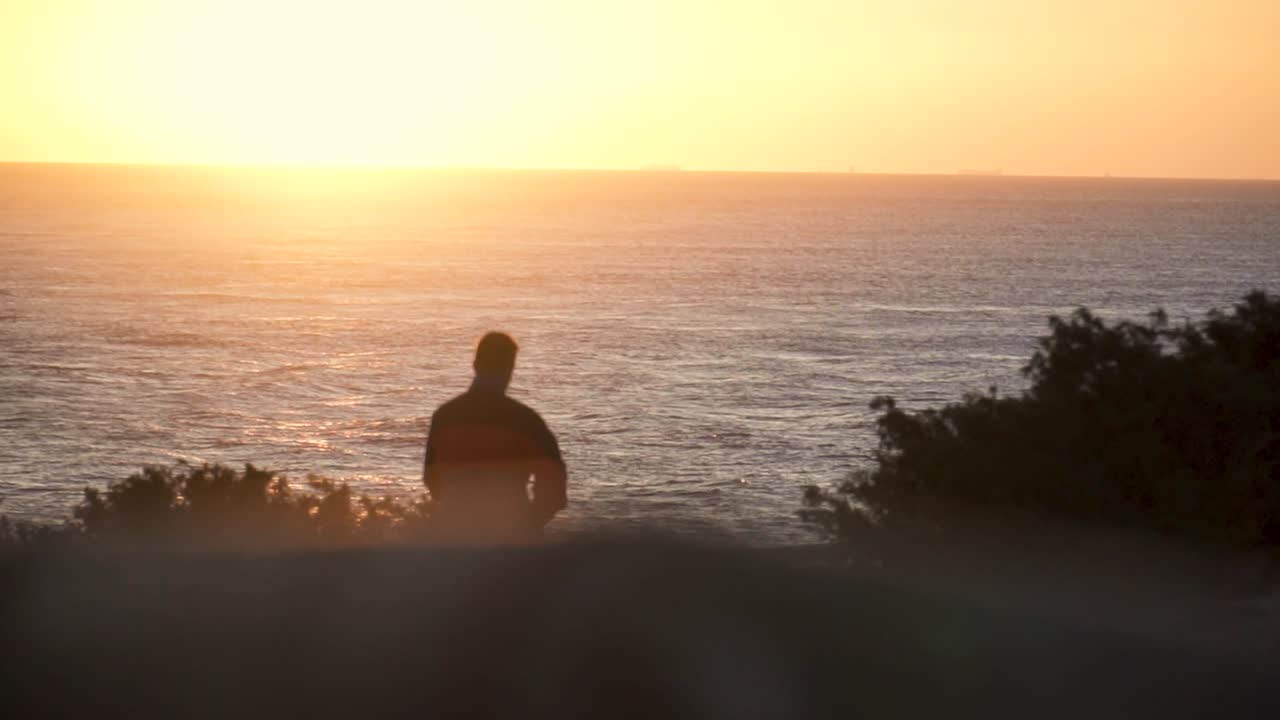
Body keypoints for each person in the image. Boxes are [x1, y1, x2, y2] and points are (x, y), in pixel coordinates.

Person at [423, 332, 567, 543]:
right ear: (510, 368)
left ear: (475, 365)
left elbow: (432, 478)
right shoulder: (526, 421)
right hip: (513, 539)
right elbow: (554, 487)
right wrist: (529, 523)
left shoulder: (445, 417)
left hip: (455, 537)